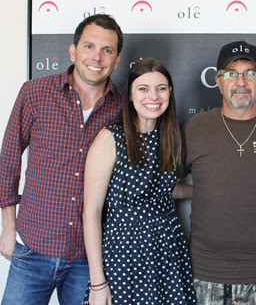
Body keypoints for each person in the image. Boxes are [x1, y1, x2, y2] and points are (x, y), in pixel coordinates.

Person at [0, 14, 123, 304]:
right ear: (73, 51)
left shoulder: (123, 105)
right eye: (89, 46)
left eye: (107, 50)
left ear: (117, 59)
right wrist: (8, 227)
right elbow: (8, 160)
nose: (97, 57)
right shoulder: (35, 93)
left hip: (88, 257)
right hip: (32, 248)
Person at [180, 40, 256, 304]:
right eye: (231, 73)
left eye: (249, 73)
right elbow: (166, 184)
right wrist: (208, 191)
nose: (240, 82)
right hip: (204, 275)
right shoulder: (195, 128)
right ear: (218, 81)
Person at [82, 57, 196, 305]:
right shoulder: (111, 138)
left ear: (169, 93)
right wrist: (98, 283)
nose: (153, 96)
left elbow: (164, 190)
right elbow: (91, 212)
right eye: (143, 88)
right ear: (131, 96)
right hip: (125, 255)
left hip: (167, 251)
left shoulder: (169, 135)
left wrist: (208, 191)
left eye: (161, 88)